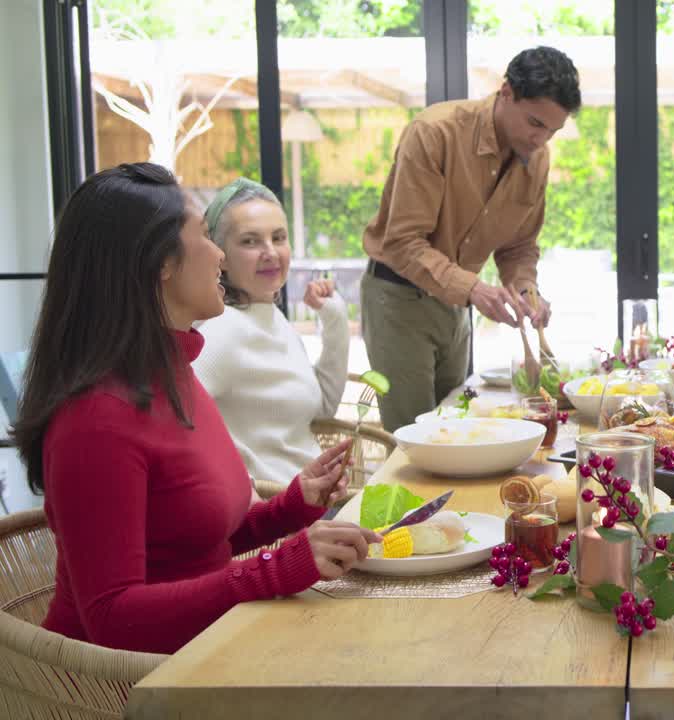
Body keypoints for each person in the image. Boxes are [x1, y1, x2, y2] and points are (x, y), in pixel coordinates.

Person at [11, 164, 379, 654]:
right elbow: (112, 619)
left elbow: (197, 546)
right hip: (126, 690)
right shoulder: (96, 421)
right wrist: (274, 568)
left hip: (208, 649)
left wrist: (292, 507)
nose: (221, 256)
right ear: (162, 262)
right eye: (207, 236)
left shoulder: (173, 371)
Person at [361, 46, 581, 431]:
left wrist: (527, 290)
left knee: (457, 428)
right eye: (535, 123)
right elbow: (403, 241)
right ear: (506, 91)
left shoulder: (537, 156)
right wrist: (475, 289)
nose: (541, 138)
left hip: (456, 302)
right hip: (399, 299)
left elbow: (519, 246)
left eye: (552, 130)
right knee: (417, 438)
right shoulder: (435, 132)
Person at [192, 178, 350, 488]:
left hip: (311, 504)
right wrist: (239, 488)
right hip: (274, 523)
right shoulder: (223, 330)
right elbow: (173, 420)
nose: (270, 252)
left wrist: (334, 317)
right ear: (220, 256)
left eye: (278, 238)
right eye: (250, 241)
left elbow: (323, 407)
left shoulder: (272, 318)